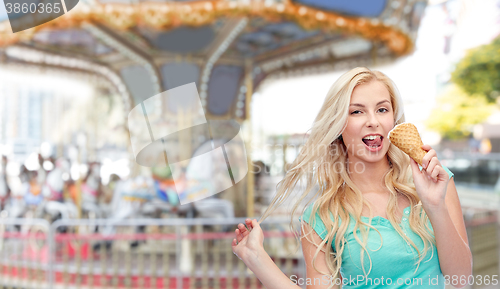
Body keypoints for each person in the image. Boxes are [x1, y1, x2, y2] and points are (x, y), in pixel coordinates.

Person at [231, 67, 472, 289]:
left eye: (382, 109)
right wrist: (257, 258)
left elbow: (461, 278)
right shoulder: (323, 215)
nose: (373, 121)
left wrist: (434, 206)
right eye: (357, 111)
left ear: (393, 121)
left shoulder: (437, 182)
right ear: (338, 126)